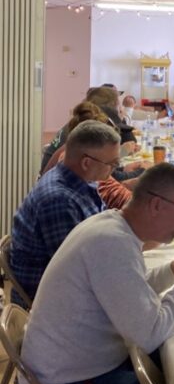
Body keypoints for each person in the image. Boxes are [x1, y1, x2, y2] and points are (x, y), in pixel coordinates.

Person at [17, 164, 174, 384]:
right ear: (156, 204)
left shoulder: (111, 224)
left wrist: (173, 272)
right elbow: (149, 334)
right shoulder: (111, 243)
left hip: (60, 380)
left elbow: (131, 290)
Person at [10, 121, 122, 304]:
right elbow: (78, 270)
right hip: (53, 303)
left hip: (68, 287)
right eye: (112, 164)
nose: (113, 170)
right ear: (86, 162)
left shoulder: (81, 180)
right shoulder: (59, 200)